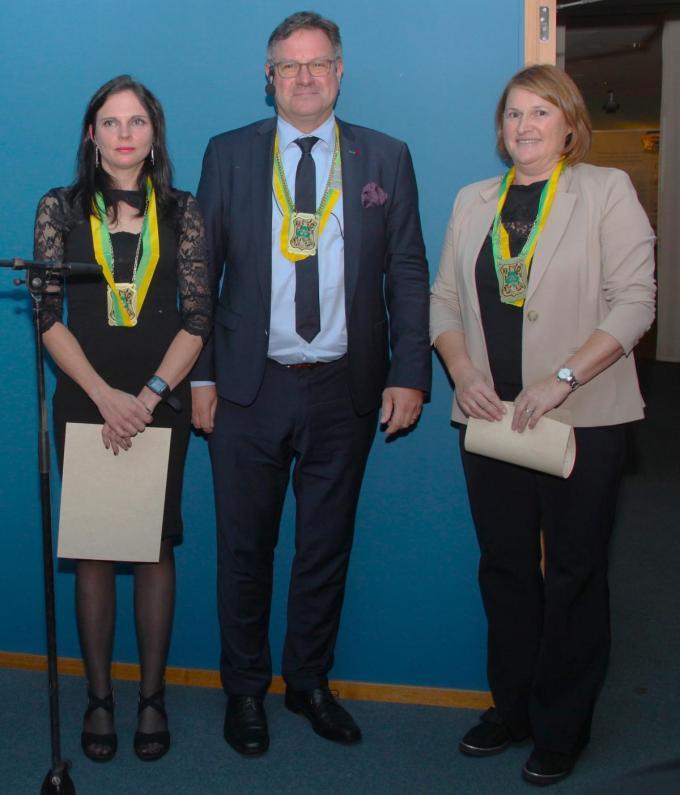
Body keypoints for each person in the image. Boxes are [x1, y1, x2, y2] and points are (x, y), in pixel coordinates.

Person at [191, 10, 431, 755]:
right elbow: (200, 278)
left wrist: (411, 370)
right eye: (288, 66)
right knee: (244, 548)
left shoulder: (384, 158)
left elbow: (408, 272)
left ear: (339, 71)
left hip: (343, 388)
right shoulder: (229, 155)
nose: (303, 77)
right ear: (269, 79)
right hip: (247, 386)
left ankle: (309, 682)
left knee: (325, 546)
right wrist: (199, 374)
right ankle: (245, 691)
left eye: (317, 63)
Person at [430, 64, 655, 786]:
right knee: (504, 570)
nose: (525, 126)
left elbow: (635, 302)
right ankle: (513, 707)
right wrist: (463, 374)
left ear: (569, 124)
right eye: (513, 114)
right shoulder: (473, 201)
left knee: (574, 573)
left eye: (540, 113)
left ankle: (563, 725)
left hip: (579, 416)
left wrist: (563, 378)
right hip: (491, 418)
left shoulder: (605, 191)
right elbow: (442, 302)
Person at [33, 75, 211, 763]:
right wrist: (108, 397)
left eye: (137, 121)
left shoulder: (184, 211)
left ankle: (152, 696)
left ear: (154, 134)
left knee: (154, 546)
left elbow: (198, 316)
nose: (124, 133)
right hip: (85, 398)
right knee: (96, 548)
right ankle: (101, 697)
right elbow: (47, 316)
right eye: (111, 122)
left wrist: (149, 393)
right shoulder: (59, 207)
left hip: (158, 402)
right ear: (91, 133)